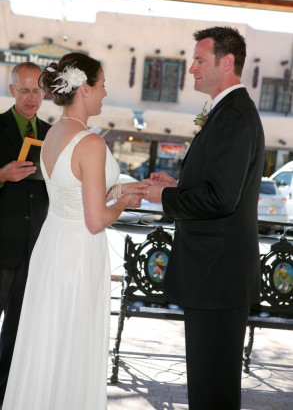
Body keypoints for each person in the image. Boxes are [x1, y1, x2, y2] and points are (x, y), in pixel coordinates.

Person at [2, 52, 148, 410]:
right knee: (72, 344)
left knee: (46, 342)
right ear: (84, 88)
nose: (105, 93)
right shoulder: (91, 142)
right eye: (102, 85)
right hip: (78, 254)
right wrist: (123, 204)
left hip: (51, 246)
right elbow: (96, 220)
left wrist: (117, 192)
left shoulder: (52, 135)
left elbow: (73, 189)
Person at [144, 26, 265, 410]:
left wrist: (163, 197)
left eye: (199, 60)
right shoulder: (228, 112)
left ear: (226, 62)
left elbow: (220, 199)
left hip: (218, 277)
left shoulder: (233, 117)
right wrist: (177, 187)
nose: (192, 69)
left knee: (213, 389)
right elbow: (221, 188)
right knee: (209, 384)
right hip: (216, 277)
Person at [0, 62, 50, 406]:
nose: (31, 98)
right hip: (0, 246)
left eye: (37, 90)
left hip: (36, 252)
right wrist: (1, 174)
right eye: (25, 90)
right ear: (11, 90)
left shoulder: (53, 133)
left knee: (16, 334)